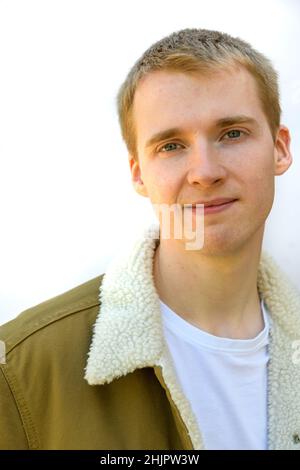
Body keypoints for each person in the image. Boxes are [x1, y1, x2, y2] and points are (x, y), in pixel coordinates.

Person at [0, 27, 300, 451]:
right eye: (172, 146)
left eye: (232, 133)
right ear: (139, 173)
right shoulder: (20, 369)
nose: (204, 172)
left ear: (280, 149)